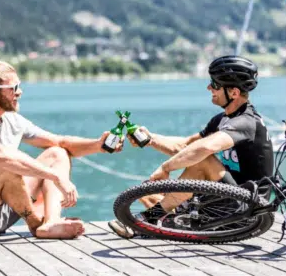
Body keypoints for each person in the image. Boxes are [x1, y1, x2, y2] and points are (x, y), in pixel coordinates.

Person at [0, 59, 123, 240]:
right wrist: (55, 176)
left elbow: (60, 142)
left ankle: (50, 223)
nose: (19, 92)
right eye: (13, 88)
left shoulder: (12, 120)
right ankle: (35, 223)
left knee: (57, 153)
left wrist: (98, 145)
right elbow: (0, 155)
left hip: (1, 211)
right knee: (6, 163)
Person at [108, 55, 274, 238]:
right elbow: (187, 146)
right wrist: (151, 139)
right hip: (222, 200)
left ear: (234, 93)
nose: (209, 88)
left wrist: (166, 168)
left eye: (215, 84)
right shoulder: (222, 120)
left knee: (203, 161)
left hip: (247, 209)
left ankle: (150, 219)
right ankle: (169, 220)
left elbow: (204, 149)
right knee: (147, 191)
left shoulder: (247, 122)